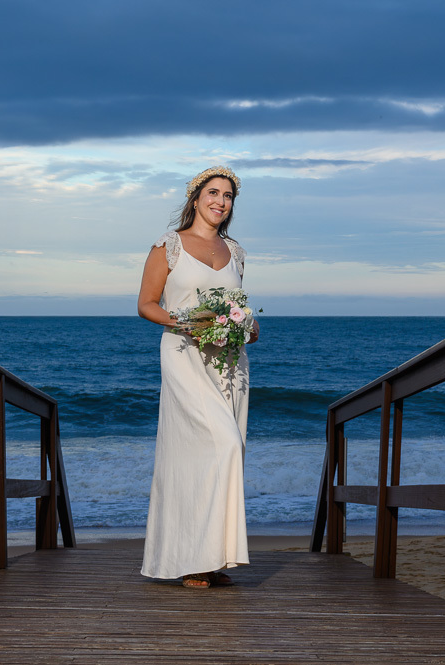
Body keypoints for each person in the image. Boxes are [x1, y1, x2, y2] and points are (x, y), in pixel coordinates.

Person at [137, 165, 258, 589]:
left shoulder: (236, 252)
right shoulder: (168, 246)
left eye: (227, 196)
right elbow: (147, 304)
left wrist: (247, 325)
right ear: (195, 198)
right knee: (213, 447)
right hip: (184, 355)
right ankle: (188, 559)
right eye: (213, 193)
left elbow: (238, 306)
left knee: (227, 452)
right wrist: (185, 322)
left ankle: (211, 558)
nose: (220, 201)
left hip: (229, 363)